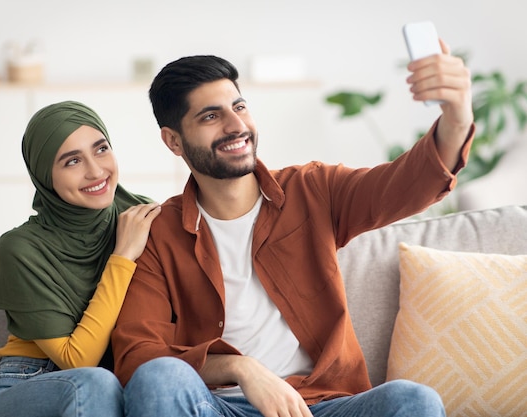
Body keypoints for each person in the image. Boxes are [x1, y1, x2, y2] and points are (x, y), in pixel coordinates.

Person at [112, 41, 474, 417]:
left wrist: (457, 117)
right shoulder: (159, 234)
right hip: (218, 408)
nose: (236, 126)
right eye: (210, 117)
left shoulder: (313, 189)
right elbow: (138, 357)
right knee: (159, 379)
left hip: (321, 405)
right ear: (173, 140)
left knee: (413, 401)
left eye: (239, 107)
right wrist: (241, 368)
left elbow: (407, 184)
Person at [0, 100, 161, 417]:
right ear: (45, 175)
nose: (96, 171)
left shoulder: (141, 216)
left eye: (101, 149)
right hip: (25, 385)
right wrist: (123, 256)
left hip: (111, 389)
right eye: (72, 162)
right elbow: (77, 360)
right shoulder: (21, 248)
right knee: (95, 384)